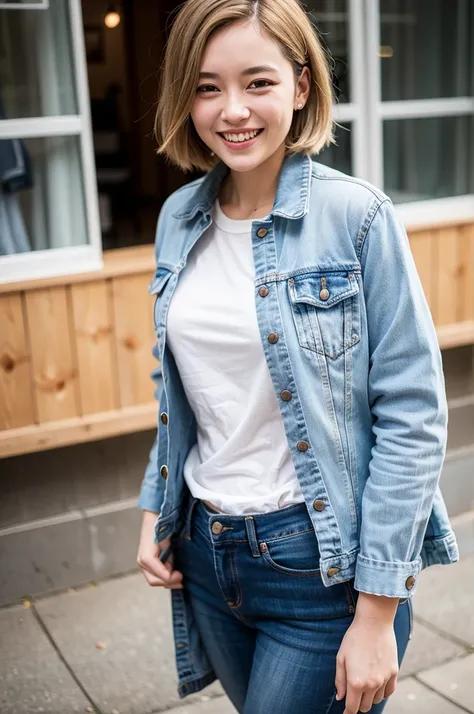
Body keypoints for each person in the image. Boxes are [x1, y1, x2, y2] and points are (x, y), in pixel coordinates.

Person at [136, 1, 459, 712]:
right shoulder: (179, 217)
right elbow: (178, 387)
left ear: (301, 86)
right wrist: (154, 510)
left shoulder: (357, 217)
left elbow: (413, 412)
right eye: (207, 86)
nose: (232, 110)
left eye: (258, 82)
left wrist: (377, 610)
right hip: (204, 548)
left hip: (320, 566)